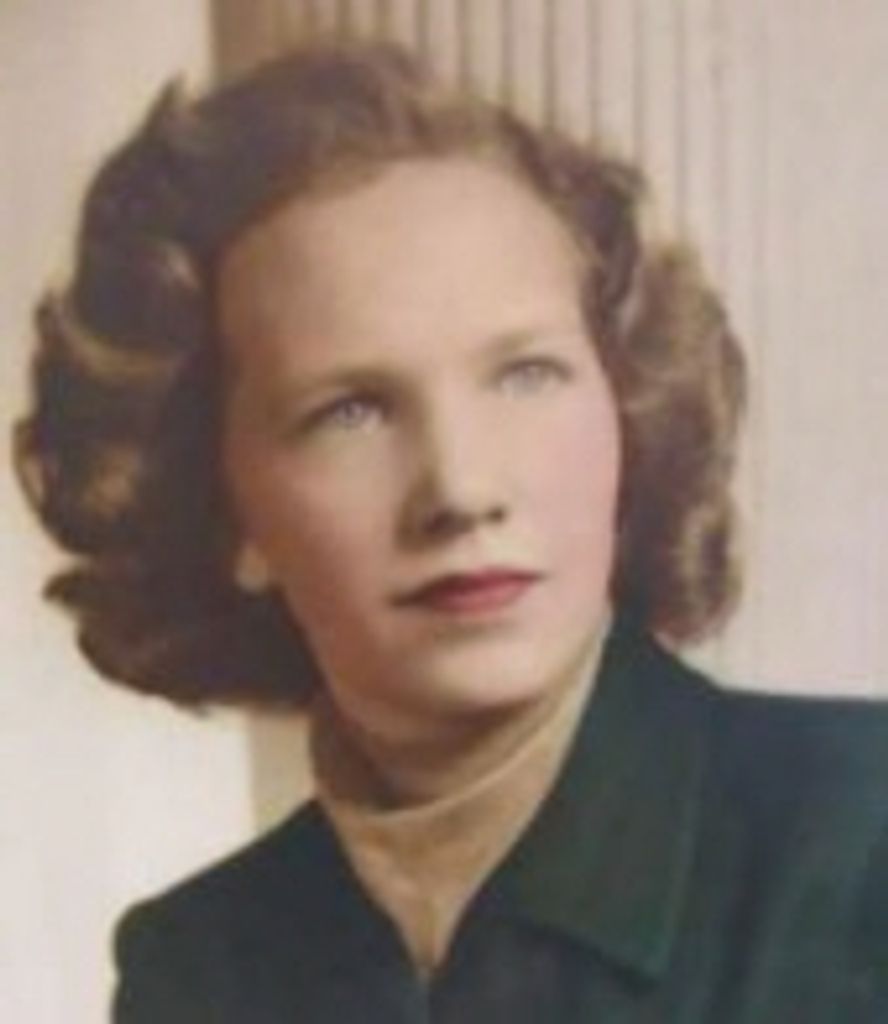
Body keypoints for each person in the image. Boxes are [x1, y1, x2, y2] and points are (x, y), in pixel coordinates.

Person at [13, 40, 888, 1023]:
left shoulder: (862, 840)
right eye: (350, 410)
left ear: (626, 417)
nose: (463, 490)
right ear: (225, 516)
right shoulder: (197, 969)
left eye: (526, 374)